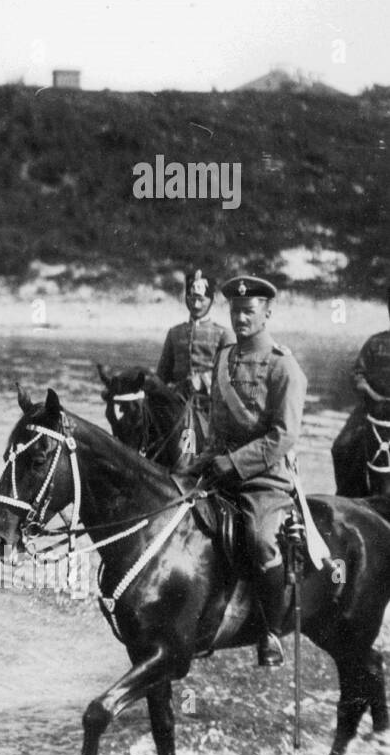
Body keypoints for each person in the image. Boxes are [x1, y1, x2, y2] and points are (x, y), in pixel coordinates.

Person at [185, 274, 307, 668]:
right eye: (235, 311)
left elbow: (284, 436)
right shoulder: (224, 359)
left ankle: (270, 630)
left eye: (248, 312)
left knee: (258, 540)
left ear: (267, 313)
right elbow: (217, 427)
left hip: (263, 478)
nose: (240, 319)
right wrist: (199, 463)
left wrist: (236, 463)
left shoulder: (284, 366)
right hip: (219, 468)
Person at [155, 268, 234, 457]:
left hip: (211, 410)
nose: (196, 304)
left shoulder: (223, 334)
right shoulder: (175, 333)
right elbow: (161, 377)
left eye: (201, 299)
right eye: (191, 298)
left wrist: (203, 380)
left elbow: (231, 375)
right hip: (177, 409)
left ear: (211, 300)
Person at [330, 287, 390, 496]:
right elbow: (358, 374)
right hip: (372, 409)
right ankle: (353, 501)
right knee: (343, 447)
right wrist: (370, 393)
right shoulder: (376, 343)